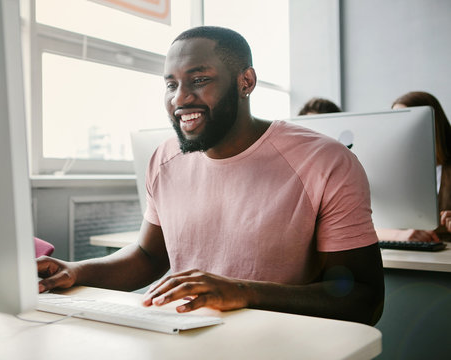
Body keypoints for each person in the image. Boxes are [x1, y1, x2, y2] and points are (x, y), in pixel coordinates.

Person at [37, 26, 384, 326]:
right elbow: (149, 256)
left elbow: (364, 299)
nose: (181, 98)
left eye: (200, 80)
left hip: (281, 344)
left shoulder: (324, 160)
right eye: (171, 84)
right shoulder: (163, 158)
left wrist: (242, 293)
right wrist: (76, 270)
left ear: (245, 82)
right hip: (185, 336)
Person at [377, 91, 451, 242]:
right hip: (408, 255)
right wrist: (400, 235)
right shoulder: (394, 171)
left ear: (433, 122)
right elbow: (370, 224)